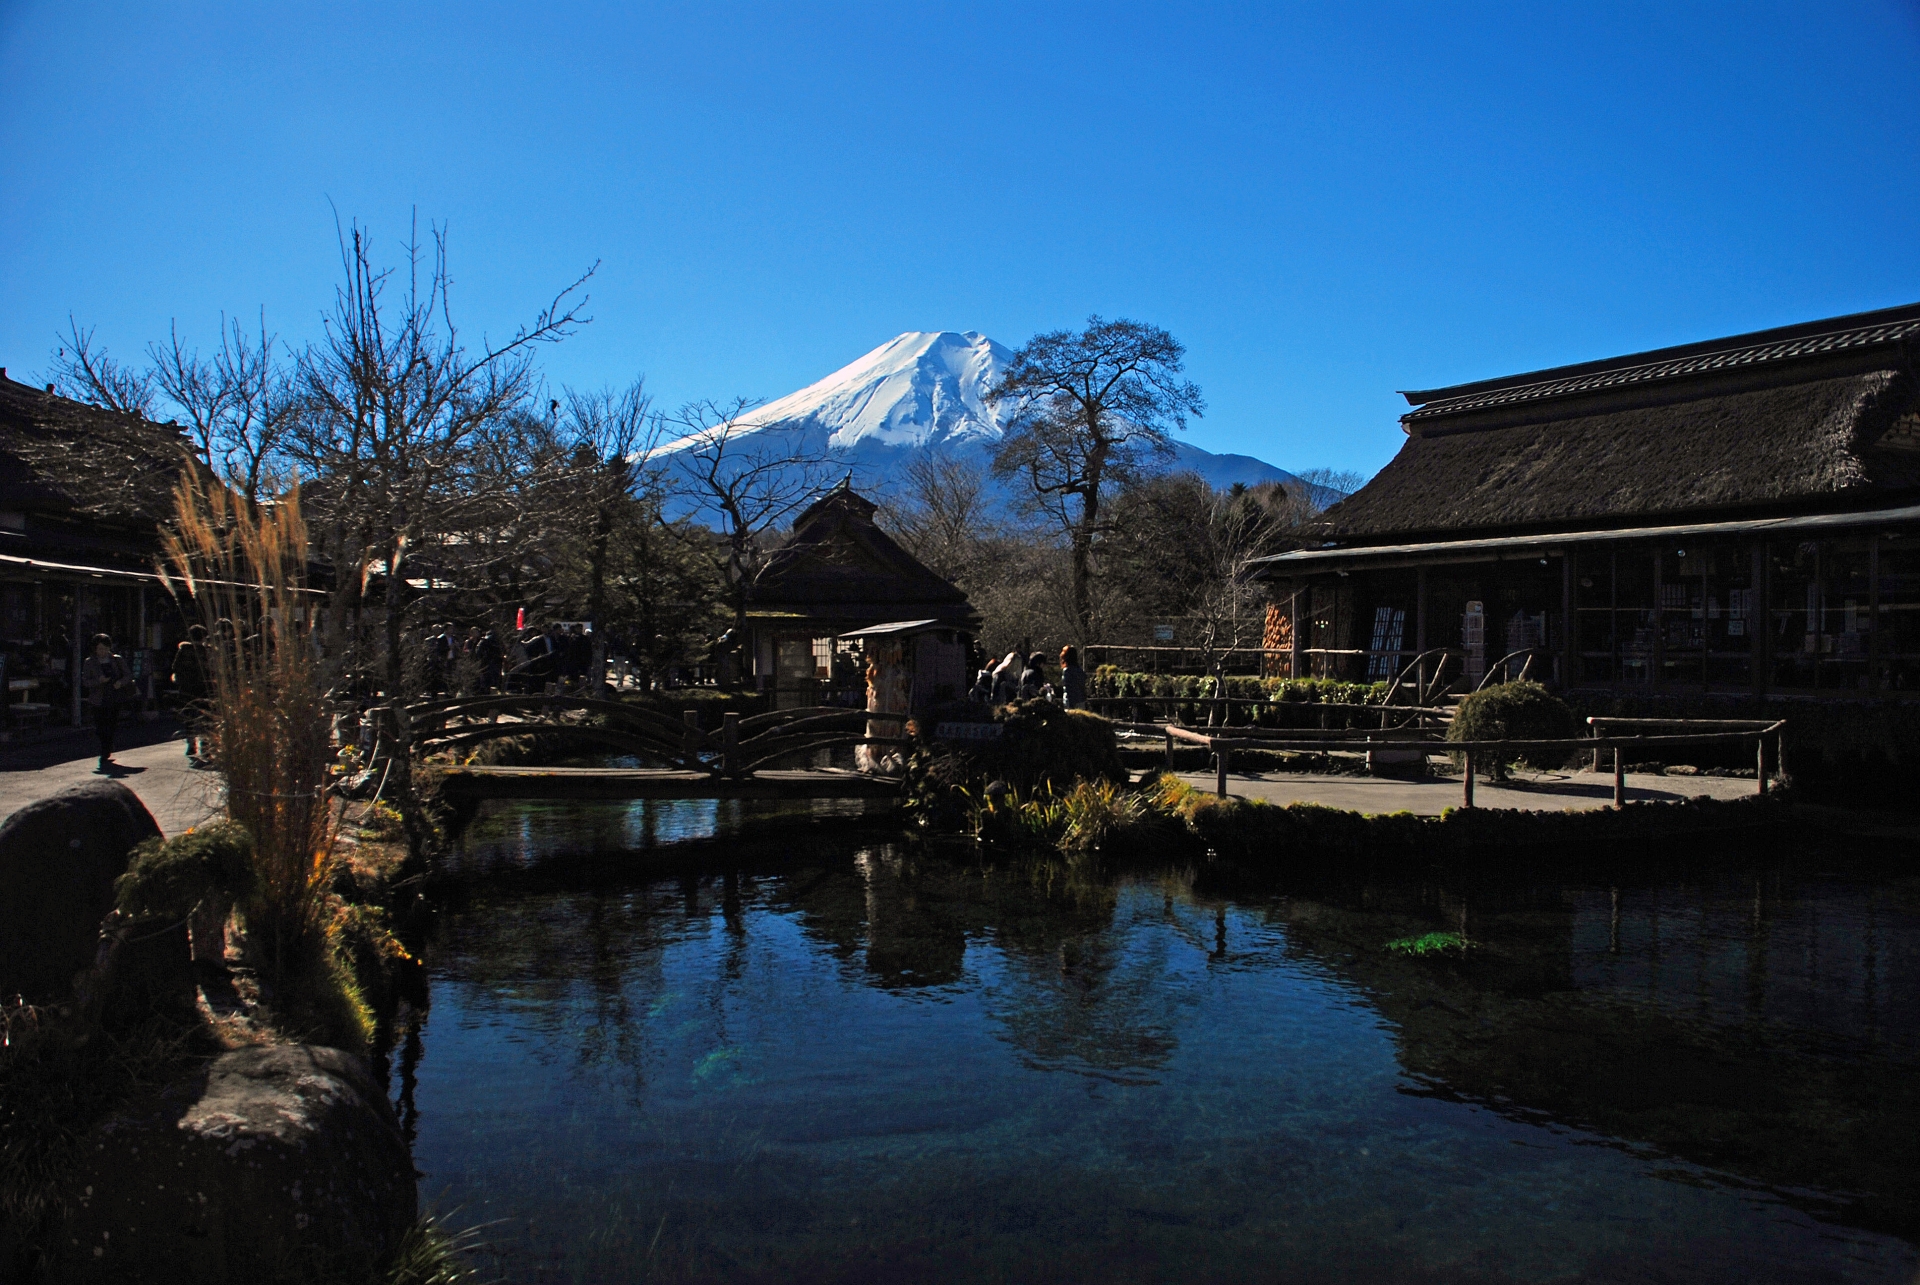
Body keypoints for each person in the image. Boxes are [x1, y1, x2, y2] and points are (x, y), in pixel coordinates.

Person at [82, 633, 136, 773]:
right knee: (100, 726)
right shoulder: (90, 661)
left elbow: (128, 675)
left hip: (114, 696)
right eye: (99, 649)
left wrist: (120, 682)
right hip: (98, 698)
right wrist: (97, 681)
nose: (102, 652)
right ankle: (105, 747)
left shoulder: (116, 660)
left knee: (111, 724)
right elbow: (85, 681)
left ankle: (107, 749)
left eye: (104, 648)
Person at [171, 623, 212, 761]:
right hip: (204, 688)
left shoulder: (183, 650)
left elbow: (175, 667)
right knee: (206, 717)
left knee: (189, 716)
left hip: (186, 688)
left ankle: (190, 743)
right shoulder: (207, 651)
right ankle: (205, 747)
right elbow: (212, 670)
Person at [1058, 646, 1088, 710]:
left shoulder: (1067, 671)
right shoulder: (1079, 670)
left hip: (1070, 702)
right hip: (1081, 700)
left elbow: (1068, 688)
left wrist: (1070, 704)